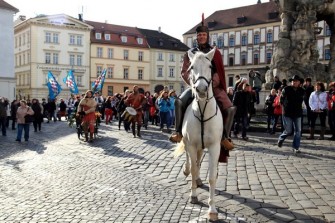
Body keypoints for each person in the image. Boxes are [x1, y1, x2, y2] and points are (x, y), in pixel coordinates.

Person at [169, 17, 236, 155]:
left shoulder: (214, 52)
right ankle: (178, 132)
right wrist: (194, 84)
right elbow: (184, 71)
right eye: (199, 35)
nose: (201, 37)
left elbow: (218, 72)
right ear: (196, 37)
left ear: (207, 36)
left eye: (203, 35)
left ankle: (225, 137)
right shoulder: (190, 53)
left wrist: (210, 84)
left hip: (213, 88)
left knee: (230, 108)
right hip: (195, 86)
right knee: (179, 102)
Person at [277, 75, 305, 154]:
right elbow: (281, 100)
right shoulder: (286, 89)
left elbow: (303, 101)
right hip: (287, 113)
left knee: (298, 131)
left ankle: (295, 147)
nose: (294, 82)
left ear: (299, 82)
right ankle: (281, 138)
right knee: (289, 130)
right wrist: (283, 109)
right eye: (293, 81)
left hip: (298, 113)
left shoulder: (302, 90)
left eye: (296, 81)